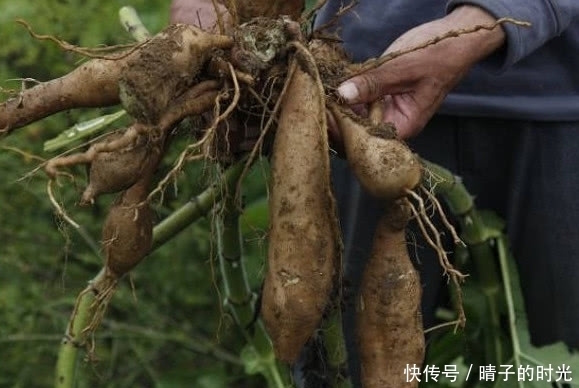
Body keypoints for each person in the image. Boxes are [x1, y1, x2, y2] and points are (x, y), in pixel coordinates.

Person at [170, 0, 579, 384]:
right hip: (355, 96)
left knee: (561, 363)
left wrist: (496, 18)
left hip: (560, 97)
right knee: (338, 360)